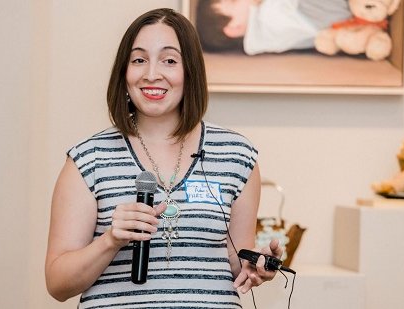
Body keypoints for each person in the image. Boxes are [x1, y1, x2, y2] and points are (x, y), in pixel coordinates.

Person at [45, 7, 282, 308]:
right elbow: (57, 284)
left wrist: (255, 264)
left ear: (190, 72)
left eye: (169, 60)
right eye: (139, 60)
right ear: (124, 72)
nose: (151, 74)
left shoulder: (237, 155)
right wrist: (110, 241)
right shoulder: (88, 159)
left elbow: (235, 263)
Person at [196, 0, 351, 55]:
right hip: (313, 15)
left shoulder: (260, 39)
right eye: (234, 0)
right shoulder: (265, 23)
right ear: (234, 28)